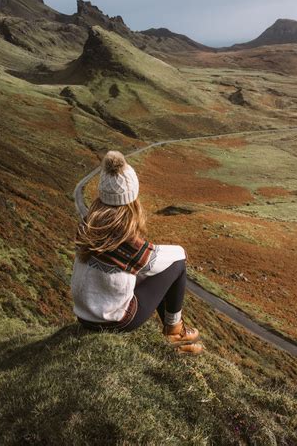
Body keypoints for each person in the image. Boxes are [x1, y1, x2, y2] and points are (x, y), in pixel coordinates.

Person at [70, 149, 204, 355]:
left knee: (155, 269)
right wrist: (176, 252)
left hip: (85, 315)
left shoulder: (88, 226)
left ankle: (175, 329)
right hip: (115, 321)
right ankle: (174, 330)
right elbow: (177, 256)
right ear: (131, 199)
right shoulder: (124, 239)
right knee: (176, 264)